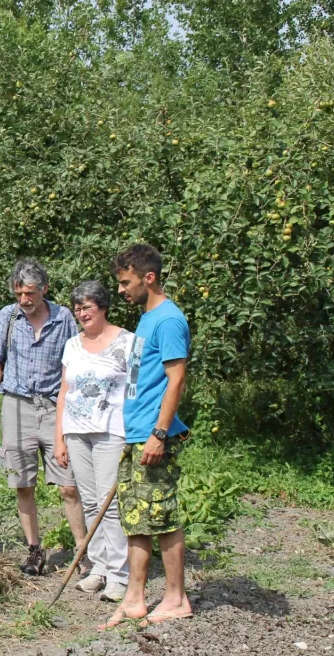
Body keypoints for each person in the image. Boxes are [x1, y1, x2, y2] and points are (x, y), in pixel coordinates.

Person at [102, 244, 192, 629]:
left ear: (148, 277)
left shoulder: (169, 320)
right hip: (137, 434)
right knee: (137, 518)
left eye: (126, 282)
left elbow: (177, 379)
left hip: (153, 436)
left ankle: (176, 598)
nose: (121, 290)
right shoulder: (147, 318)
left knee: (164, 516)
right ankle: (135, 598)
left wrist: (158, 433)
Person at [0, 259, 86, 576]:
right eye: (18, 294)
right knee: (22, 482)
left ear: (44, 290)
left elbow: (77, 362)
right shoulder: (8, 316)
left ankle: (84, 552)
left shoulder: (64, 318)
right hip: (16, 404)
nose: (24, 300)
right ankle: (34, 550)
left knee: (68, 484)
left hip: (55, 407)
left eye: (29, 293)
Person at [53, 281, 133, 602]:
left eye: (87, 307)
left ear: (102, 307)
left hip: (112, 431)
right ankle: (98, 567)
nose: (82, 313)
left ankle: (118, 575)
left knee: (109, 504)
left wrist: (135, 433)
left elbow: (136, 391)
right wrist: (59, 437)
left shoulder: (130, 342)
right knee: (89, 502)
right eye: (77, 309)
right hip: (76, 431)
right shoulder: (72, 345)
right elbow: (64, 391)